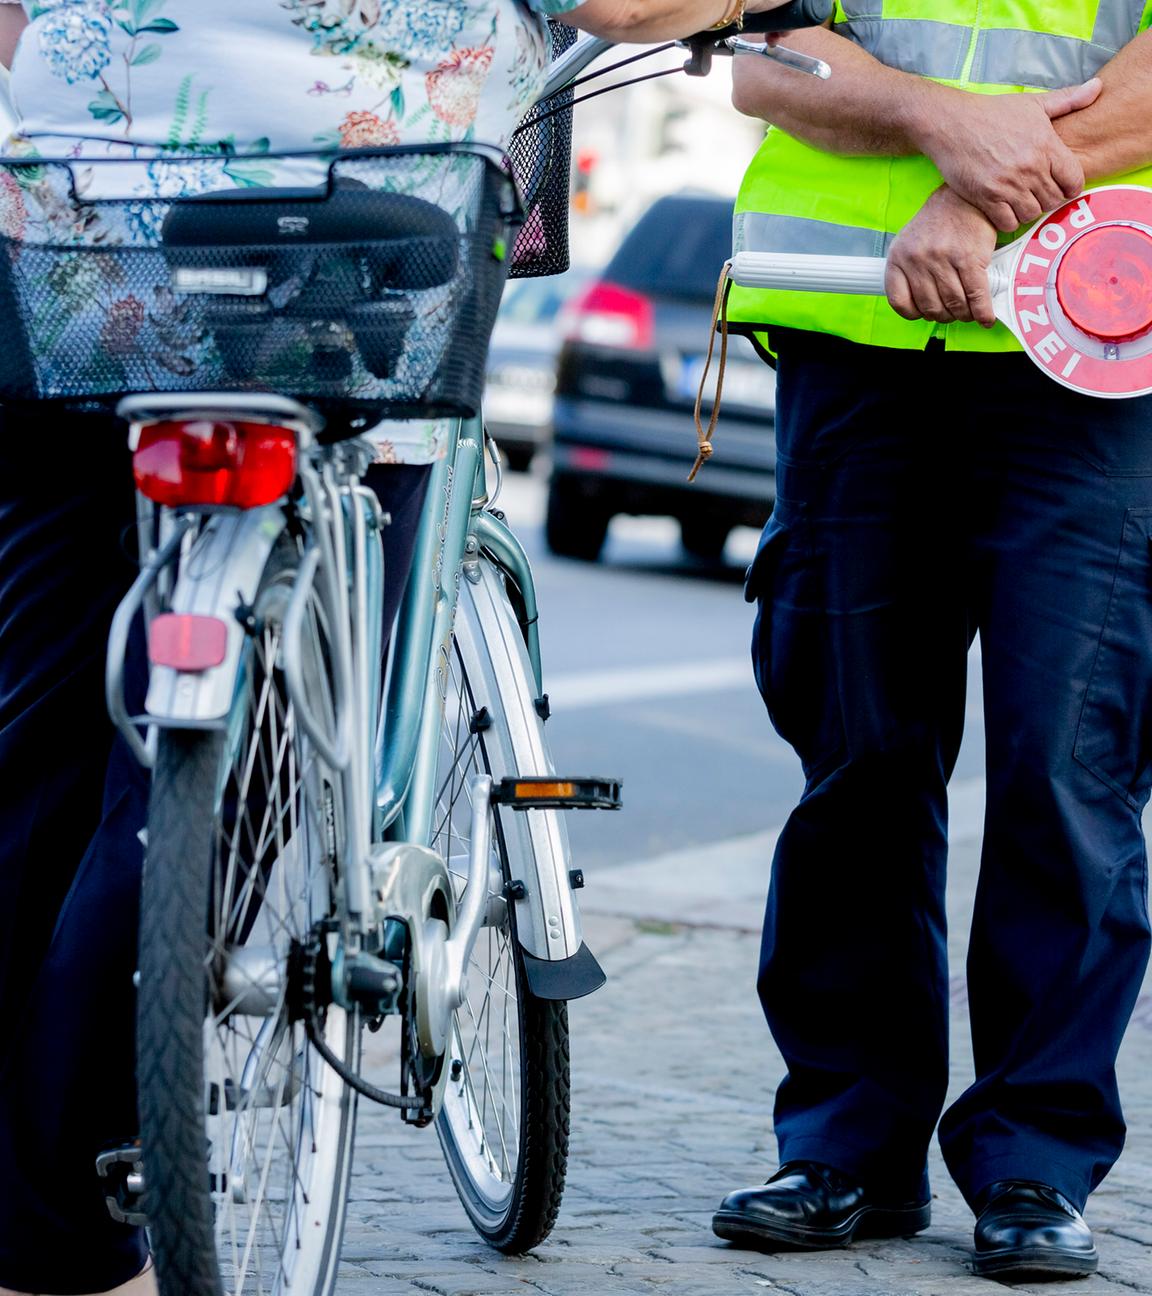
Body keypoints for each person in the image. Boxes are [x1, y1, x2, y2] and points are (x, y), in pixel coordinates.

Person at [0, 0, 804, 1293]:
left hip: (89, 234)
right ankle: (72, 1233)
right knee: (213, 768)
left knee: (34, 722)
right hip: (359, 221)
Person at [709, 3, 1152, 1281]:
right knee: (856, 764)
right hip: (854, 332)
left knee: (1066, 769)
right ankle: (846, 1144)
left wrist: (980, 203)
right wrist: (937, 122)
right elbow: (769, 61)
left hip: (1094, 347)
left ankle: (1036, 1159)